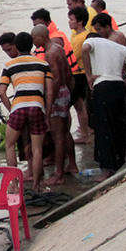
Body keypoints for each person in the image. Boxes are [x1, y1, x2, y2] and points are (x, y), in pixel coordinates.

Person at [81, 14, 126, 182]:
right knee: (117, 126)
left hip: (103, 87)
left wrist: (88, 75)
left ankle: (106, 170)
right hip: (118, 86)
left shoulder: (93, 41)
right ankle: (119, 162)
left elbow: (84, 49)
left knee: (103, 130)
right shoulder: (117, 46)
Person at [0, 31, 52, 192]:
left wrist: (12, 109)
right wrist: (46, 115)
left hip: (19, 108)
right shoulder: (43, 64)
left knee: (9, 145)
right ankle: (38, 185)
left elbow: (2, 92)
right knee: (37, 149)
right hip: (37, 107)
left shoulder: (9, 66)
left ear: (16, 47)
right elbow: (49, 93)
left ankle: (14, 185)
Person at [31, 25, 78, 185]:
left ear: (41, 37)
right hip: (65, 91)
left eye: (34, 38)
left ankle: (59, 174)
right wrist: (67, 89)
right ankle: (72, 165)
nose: (33, 41)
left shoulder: (50, 54)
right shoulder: (58, 48)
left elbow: (56, 78)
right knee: (65, 132)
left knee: (58, 135)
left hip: (58, 95)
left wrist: (49, 101)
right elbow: (69, 72)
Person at [67, 6, 92, 143]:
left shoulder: (79, 38)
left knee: (67, 106)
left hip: (77, 75)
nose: (69, 22)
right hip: (82, 74)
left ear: (80, 21)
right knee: (80, 106)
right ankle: (85, 134)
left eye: (71, 20)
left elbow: (72, 57)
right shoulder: (83, 34)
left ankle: (70, 135)